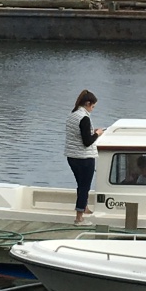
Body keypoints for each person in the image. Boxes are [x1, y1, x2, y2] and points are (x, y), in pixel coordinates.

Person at [65, 89, 104, 224]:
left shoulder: (73, 114)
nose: (92, 109)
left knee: (80, 184)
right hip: (84, 158)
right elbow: (87, 142)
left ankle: (84, 207)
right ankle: (79, 217)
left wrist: (90, 132)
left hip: (72, 156)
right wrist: (98, 133)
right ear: (87, 103)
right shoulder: (84, 118)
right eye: (93, 106)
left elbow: (78, 134)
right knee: (84, 186)